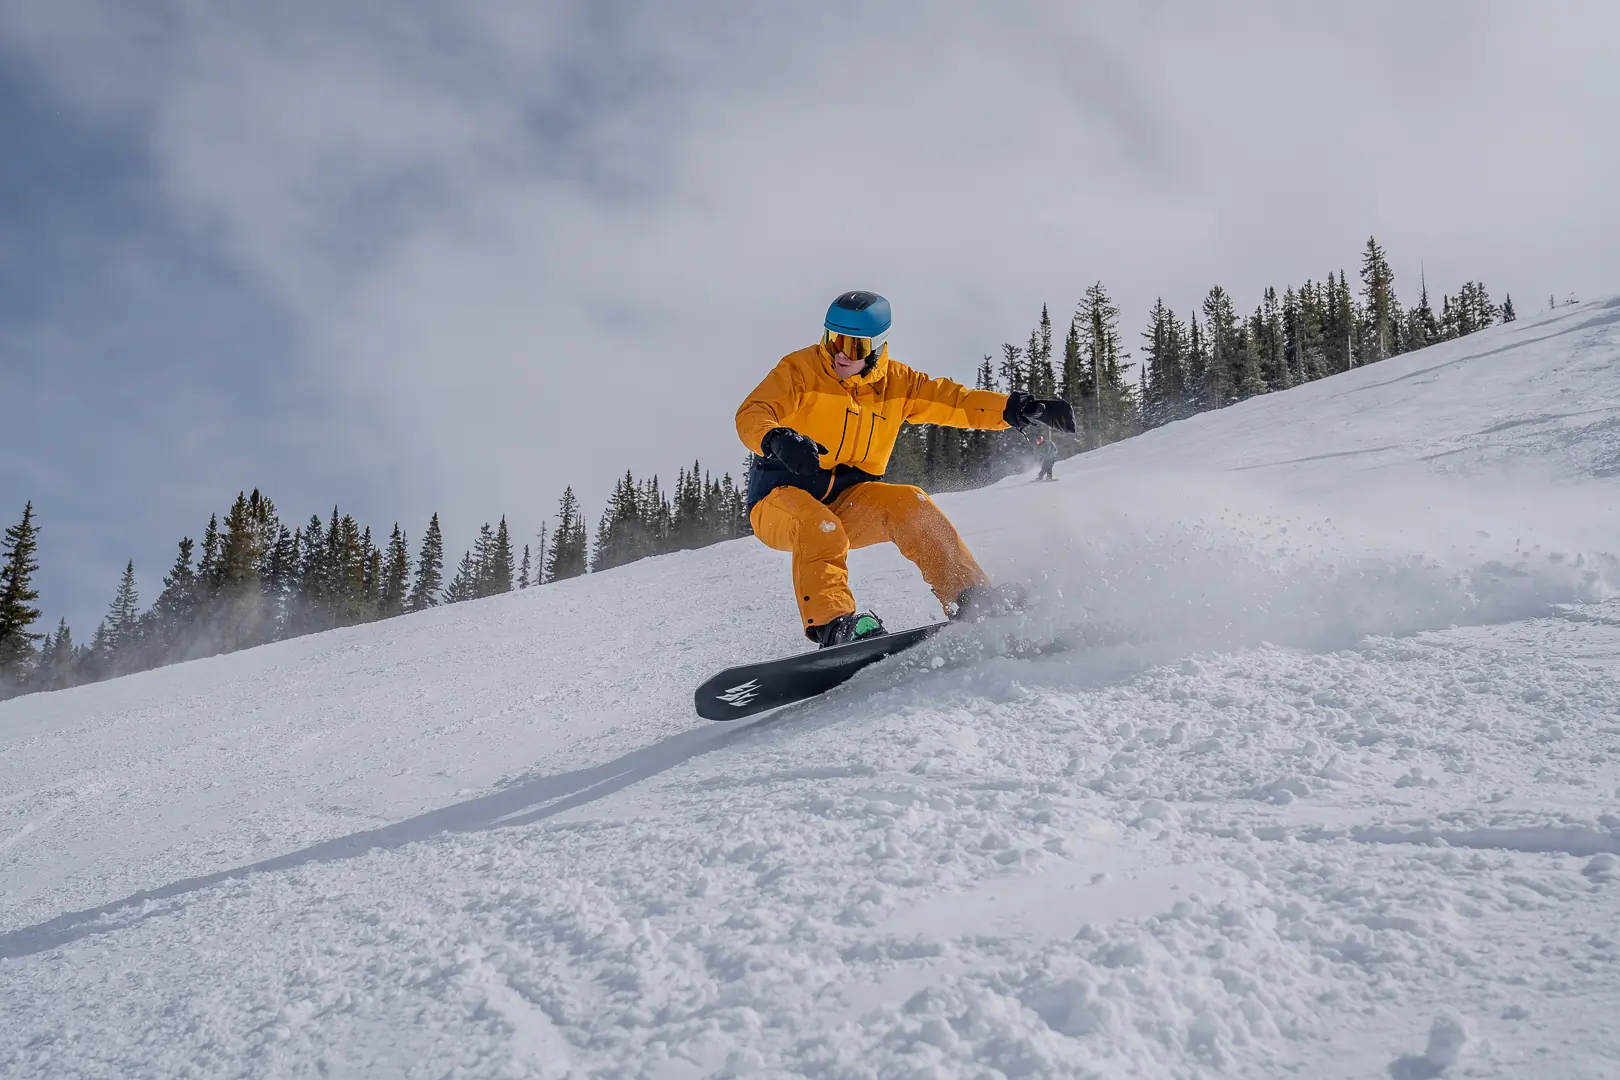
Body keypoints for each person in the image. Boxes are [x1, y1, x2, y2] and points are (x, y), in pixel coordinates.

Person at [736, 290, 1076, 647]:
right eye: (832, 339)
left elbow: (956, 402)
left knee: (911, 504)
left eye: (852, 346)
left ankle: (971, 598)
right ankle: (833, 625)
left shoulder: (899, 385)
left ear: (877, 347)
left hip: (851, 498)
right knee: (820, 526)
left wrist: (1014, 408)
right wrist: (777, 439)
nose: (838, 353)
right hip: (779, 499)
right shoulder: (800, 371)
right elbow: (752, 412)